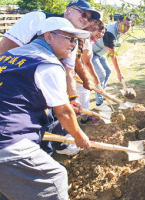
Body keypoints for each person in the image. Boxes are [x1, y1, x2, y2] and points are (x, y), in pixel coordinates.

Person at [0, 17, 91, 199]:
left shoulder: (10, 56)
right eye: (69, 38)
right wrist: (80, 137)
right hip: (9, 143)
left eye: (76, 41)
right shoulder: (48, 63)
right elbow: (63, 111)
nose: (73, 45)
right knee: (55, 177)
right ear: (48, 36)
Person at [0, 0, 100, 156]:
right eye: (83, 13)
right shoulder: (37, 19)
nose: (86, 20)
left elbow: (69, 71)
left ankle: (45, 155)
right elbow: (5, 52)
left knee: (46, 117)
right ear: (68, 10)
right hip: (14, 83)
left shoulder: (71, 39)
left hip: (38, 85)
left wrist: (73, 98)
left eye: (90, 18)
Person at [92, 15, 131, 111]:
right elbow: (113, 55)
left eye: (128, 27)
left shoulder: (118, 30)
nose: (126, 29)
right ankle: (99, 103)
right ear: (118, 22)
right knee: (101, 74)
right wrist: (119, 73)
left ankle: (101, 92)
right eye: (124, 25)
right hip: (91, 52)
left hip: (99, 53)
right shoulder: (110, 33)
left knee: (108, 71)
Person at [77, 20, 106, 124]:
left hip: (77, 68)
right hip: (74, 69)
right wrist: (96, 79)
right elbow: (87, 62)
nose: (101, 35)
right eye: (99, 31)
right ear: (91, 29)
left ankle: (85, 117)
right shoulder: (86, 40)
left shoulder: (88, 39)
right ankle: (85, 118)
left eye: (103, 32)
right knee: (83, 91)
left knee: (82, 91)